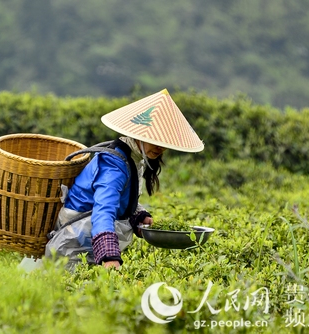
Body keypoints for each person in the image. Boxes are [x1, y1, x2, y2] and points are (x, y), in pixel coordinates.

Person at [45, 89, 204, 269]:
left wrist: (138, 214)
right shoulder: (114, 165)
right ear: (139, 134)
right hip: (74, 239)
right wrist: (109, 255)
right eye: (154, 140)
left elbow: (122, 197)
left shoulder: (133, 158)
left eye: (164, 143)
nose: (160, 148)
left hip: (86, 234)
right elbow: (103, 210)